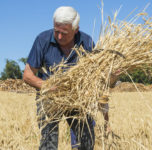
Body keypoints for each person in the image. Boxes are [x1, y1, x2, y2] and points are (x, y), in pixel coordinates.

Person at [23, 6, 110, 150]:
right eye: (56, 31)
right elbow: (27, 75)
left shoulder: (87, 42)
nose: (59, 37)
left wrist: (112, 74)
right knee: (48, 144)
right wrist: (47, 86)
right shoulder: (42, 40)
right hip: (49, 99)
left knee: (86, 142)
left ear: (76, 29)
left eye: (64, 33)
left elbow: (98, 78)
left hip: (78, 99)